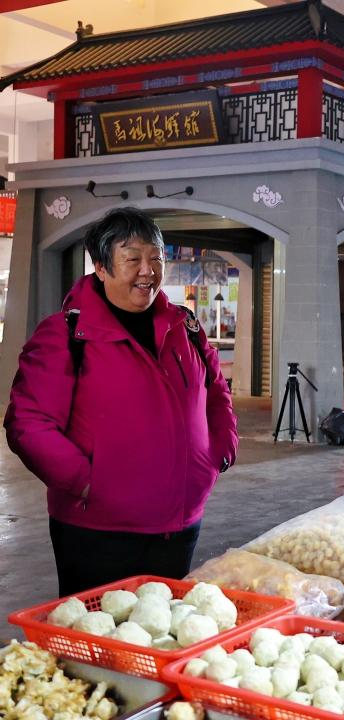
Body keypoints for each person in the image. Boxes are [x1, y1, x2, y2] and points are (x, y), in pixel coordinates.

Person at [5, 207, 238, 596]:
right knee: (97, 642)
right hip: (98, 531)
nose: (147, 271)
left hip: (179, 526)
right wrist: (87, 482)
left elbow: (217, 392)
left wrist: (220, 452)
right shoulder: (66, 334)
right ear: (100, 266)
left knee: (164, 637)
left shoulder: (185, 327)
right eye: (132, 259)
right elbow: (28, 423)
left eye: (155, 259)